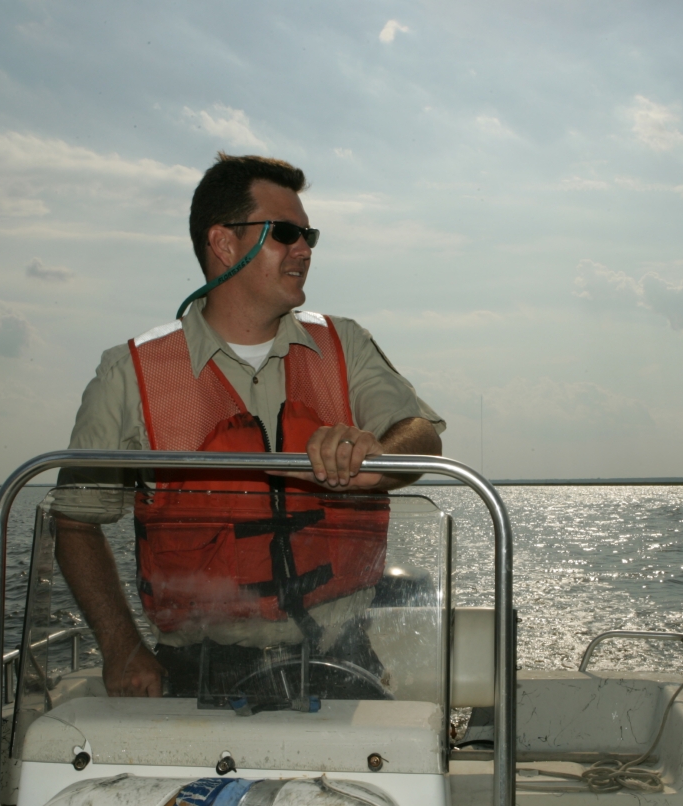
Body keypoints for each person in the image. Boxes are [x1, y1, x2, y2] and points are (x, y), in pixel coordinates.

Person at [53, 154, 444, 698]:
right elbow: (75, 525)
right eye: (285, 233)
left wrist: (376, 458)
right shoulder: (129, 374)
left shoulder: (345, 345)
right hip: (200, 678)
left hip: (343, 663)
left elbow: (422, 433)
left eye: (308, 235)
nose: (304, 249)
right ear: (223, 243)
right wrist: (121, 646)